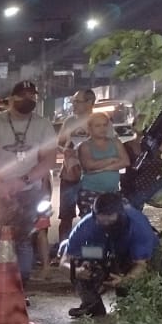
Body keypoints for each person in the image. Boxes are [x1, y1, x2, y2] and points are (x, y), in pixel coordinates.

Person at [0, 79, 57, 306]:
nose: (28, 99)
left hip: (29, 191)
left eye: (32, 95)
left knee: (23, 242)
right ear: (11, 98)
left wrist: (23, 181)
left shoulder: (43, 125)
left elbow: (48, 160)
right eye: (23, 95)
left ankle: (19, 290)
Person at [61, 192, 159, 316]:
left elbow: (141, 264)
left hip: (133, 254)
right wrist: (75, 271)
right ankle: (91, 304)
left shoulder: (138, 225)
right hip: (104, 251)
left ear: (120, 214)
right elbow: (65, 260)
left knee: (130, 302)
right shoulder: (87, 224)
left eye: (110, 217)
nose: (106, 221)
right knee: (70, 251)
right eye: (102, 217)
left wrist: (126, 280)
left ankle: (130, 299)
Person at [55, 88, 97, 251]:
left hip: (91, 176)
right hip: (69, 175)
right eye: (73, 101)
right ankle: (64, 250)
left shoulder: (100, 121)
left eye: (77, 102)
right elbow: (60, 143)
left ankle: (89, 251)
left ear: (89, 102)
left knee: (89, 215)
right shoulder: (69, 122)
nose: (73, 105)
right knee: (66, 216)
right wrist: (66, 150)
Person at [71, 109, 130, 212]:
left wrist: (103, 169)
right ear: (89, 128)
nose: (102, 128)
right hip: (90, 192)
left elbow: (125, 162)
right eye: (97, 126)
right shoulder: (85, 146)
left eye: (104, 125)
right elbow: (90, 165)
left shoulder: (116, 142)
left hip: (113, 193)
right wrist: (112, 159)